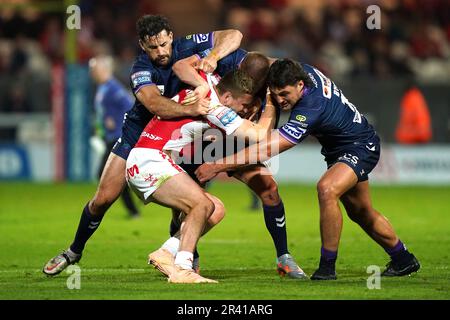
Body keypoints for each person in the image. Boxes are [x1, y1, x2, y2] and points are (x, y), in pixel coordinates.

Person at [43, 14, 243, 276]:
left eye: (163, 44)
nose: (160, 51)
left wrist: (214, 56)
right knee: (102, 199)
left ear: (171, 36)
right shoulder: (140, 69)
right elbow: (153, 103)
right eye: (153, 47)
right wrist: (190, 107)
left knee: (187, 202)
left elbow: (234, 35)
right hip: (138, 135)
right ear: (142, 45)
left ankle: (183, 255)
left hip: (177, 136)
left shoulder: (187, 46)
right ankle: (74, 251)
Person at [195, 59, 421, 280]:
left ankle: (327, 268)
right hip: (340, 149)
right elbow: (267, 62)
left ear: (300, 86)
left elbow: (266, 149)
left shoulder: (310, 107)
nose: (281, 100)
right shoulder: (301, 70)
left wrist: (217, 165)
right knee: (361, 212)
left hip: (360, 146)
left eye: (285, 94)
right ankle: (403, 259)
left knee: (327, 188)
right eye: (276, 94)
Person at [128, 69, 286, 282]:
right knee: (201, 204)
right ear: (228, 97)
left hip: (148, 159)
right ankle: (183, 269)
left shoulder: (205, 83)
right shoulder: (215, 107)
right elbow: (260, 135)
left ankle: (166, 252)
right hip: (150, 160)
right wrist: (270, 102)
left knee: (215, 209)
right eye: (243, 105)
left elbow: (188, 64)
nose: (244, 111)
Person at [162, 52, 306, 279]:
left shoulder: (273, 90)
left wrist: (267, 104)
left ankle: (284, 258)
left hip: (239, 145)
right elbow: (182, 65)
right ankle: (187, 253)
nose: (247, 83)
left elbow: (263, 134)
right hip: (207, 141)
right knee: (188, 200)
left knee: (269, 189)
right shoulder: (226, 66)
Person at [89, 55, 140, 218]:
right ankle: (132, 210)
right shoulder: (103, 88)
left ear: (104, 69)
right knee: (113, 176)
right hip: (109, 137)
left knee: (103, 174)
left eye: (95, 69)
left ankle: (100, 208)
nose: (92, 73)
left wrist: (117, 121)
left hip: (117, 137)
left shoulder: (113, 88)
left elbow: (131, 106)